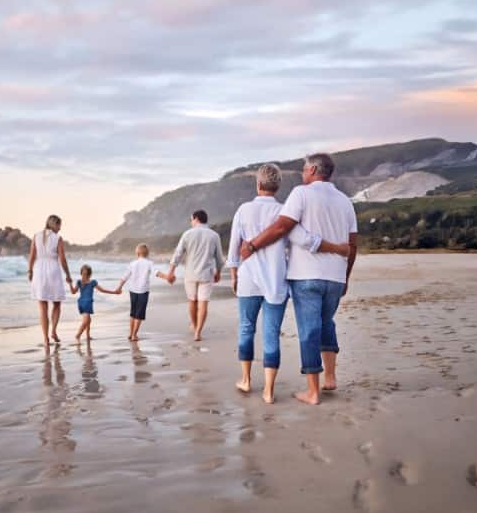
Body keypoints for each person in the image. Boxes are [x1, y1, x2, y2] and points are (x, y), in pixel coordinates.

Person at [239, 153, 358, 405]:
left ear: (313, 170)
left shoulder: (301, 194)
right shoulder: (345, 201)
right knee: (327, 322)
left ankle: (313, 392)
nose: (303, 173)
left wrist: (252, 245)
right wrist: (345, 276)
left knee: (308, 330)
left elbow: (283, 227)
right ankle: (330, 378)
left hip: (306, 275)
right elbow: (353, 244)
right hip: (336, 276)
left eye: (304, 169)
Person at [160, 209, 225, 341]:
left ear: (196, 219)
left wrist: (171, 272)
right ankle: (198, 332)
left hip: (190, 274)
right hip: (207, 274)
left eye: (191, 219)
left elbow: (178, 254)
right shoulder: (214, 235)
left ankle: (195, 327)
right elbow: (219, 258)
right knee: (203, 303)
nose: (191, 222)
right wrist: (218, 272)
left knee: (192, 301)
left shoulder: (187, 234)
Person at [28, 214, 74, 346]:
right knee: (57, 303)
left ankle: (45, 338)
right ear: (55, 224)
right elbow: (62, 259)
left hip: (39, 270)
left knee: (43, 307)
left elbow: (32, 256)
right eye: (59, 225)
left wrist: (30, 271)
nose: (60, 228)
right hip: (53, 269)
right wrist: (68, 274)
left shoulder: (36, 236)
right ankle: (53, 331)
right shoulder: (57, 238)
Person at [119, 243, 162, 342]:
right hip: (143, 291)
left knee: (133, 313)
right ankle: (134, 335)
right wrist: (167, 277)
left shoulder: (132, 263)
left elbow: (124, 277)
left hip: (132, 290)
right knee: (139, 314)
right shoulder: (149, 263)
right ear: (147, 253)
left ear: (137, 253)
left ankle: (130, 333)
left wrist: (119, 288)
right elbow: (156, 273)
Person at [69, 264, 122, 343]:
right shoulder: (85, 282)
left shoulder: (84, 282)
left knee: (88, 320)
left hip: (83, 302)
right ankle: (78, 335)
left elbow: (73, 292)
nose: (84, 276)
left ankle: (88, 336)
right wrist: (115, 292)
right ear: (89, 274)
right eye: (83, 274)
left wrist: (70, 284)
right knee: (86, 320)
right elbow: (102, 290)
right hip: (86, 303)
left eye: (85, 274)